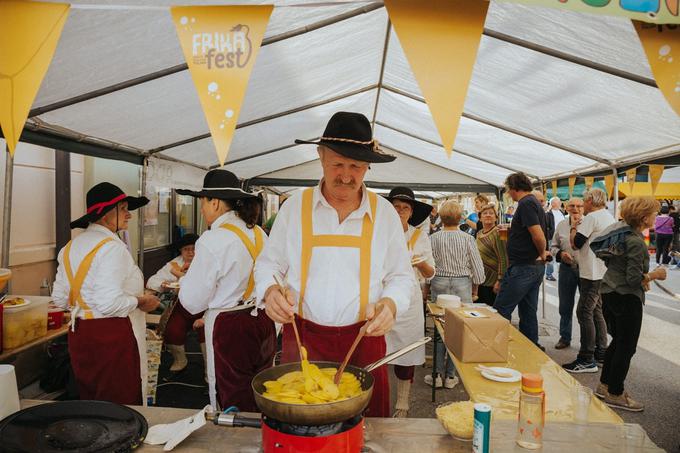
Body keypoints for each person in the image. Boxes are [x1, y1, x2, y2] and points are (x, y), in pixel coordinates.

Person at [255, 112, 413, 418]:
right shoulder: (294, 208)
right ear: (320, 156)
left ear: (368, 166)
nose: (345, 175)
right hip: (302, 339)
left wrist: (391, 305)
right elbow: (267, 264)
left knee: (368, 432)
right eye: (337, 164)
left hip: (364, 342)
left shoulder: (384, 214)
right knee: (302, 429)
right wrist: (271, 290)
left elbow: (401, 277)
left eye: (355, 166)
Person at [52, 182, 160, 405]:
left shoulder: (70, 247)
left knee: (91, 400)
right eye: (123, 209)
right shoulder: (112, 248)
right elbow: (109, 303)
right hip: (111, 334)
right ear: (104, 213)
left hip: (80, 333)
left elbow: (60, 298)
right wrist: (140, 300)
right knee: (120, 402)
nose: (129, 215)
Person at [177, 169, 275, 411]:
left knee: (230, 393)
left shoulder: (213, 239)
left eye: (202, 202)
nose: (201, 209)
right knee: (263, 389)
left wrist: (186, 280)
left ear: (215, 202)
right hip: (264, 318)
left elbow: (192, 301)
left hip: (231, 325)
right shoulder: (258, 232)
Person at [593, 196, 667, 411]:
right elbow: (633, 279)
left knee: (618, 341)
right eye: (654, 212)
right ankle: (616, 393)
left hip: (609, 292)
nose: (656, 216)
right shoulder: (635, 241)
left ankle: (604, 385)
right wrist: (654, 275)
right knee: (627, 346)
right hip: (625, 297)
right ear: (644, 217)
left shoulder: (621, 232)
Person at [385, 187, 435, 417]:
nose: (400, 211)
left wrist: (420, 263)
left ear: (411, 212)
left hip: (410, 301)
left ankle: (402, 405)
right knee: (375, 352)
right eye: (396, 207)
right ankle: (375, 403)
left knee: (406, 353)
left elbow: (431, 272)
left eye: (405, 208)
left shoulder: (419, 236)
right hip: (381, 298)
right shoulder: (378, 232)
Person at [428, 200, 485, 388]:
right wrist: (477, 283)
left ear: (441, 218)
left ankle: (436, 375)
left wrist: (427, 285)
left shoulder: (433, 238)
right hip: (462, 283)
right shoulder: (468, 238)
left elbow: (428, 266)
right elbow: (477, 269)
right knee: (458, 330)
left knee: (440, 329)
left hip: (440, 282)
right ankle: (451, 375)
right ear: (460, 218)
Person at [493, 174, 548, 348]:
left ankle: (495, 348)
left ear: (514, 187)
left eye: (509, 189)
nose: (508, 193)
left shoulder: (525, 203)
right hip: (531, 266)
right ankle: (531, 348)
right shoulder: (532, 203)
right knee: (528, 311)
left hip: (524, 266)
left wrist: (541, 253)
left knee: (501, 309)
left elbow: (538, 235)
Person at [562, 188, 614, 373]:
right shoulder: (608, 216)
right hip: (602, 271)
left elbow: (576, 243)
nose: (583, 204)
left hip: (591, 273)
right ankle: (601, 352)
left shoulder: (592, 218)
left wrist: (574, 226)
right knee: (596, 311)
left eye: (584, 200)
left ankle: (586, 358)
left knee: (584, 312)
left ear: (591, 200)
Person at [146, 234, 205, 374]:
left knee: (206, 332)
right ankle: (180, 360)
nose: (190, 252)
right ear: (181, 251)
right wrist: (163, 284)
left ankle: (210, 371)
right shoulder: (173, 265)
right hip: (181, 306)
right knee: (172, 329)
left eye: (193, 248)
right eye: (186, 249)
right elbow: (151, 281)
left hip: (204, 307)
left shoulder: (205, 263)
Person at [550, 198, 584, 349]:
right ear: (566, 207)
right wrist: (560, 254)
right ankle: (565, 337)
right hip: (566, 269)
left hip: (586, 270)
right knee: (565, 305)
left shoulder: (590, 224)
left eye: (579, 206)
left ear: (584, 208)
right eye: (572, 206)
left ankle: (588, 342)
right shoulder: (562, 224)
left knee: (587, 309)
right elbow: (553, 246)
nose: (575, 208)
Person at [475, 203, 508, 307]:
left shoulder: (499, 233)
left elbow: (504, 258)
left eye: (491, 213)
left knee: (490, 311)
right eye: (484, 213)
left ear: (496, 217)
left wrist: (500, 280)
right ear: (480, 218)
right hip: (480, 279)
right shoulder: (479, 233)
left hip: (492, 281)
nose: (488, 215)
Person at [545, 197, 565, 281]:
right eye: (558, 202)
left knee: (561, 255)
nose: (560, 203)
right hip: (552, 237)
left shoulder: (561, 212)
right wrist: (550, 235)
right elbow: (547, 227)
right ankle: (549, 274)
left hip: (562, 237)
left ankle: (561, 272)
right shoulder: (548, 214)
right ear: (553, 204)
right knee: (551, 256)